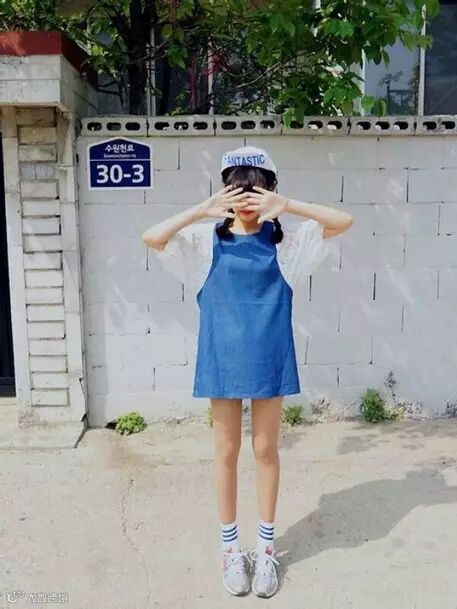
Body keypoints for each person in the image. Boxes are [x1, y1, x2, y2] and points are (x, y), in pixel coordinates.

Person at [142, 145, 354, 597]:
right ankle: (230, 550)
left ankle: (266, 548)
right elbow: (153, 238)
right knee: (225, 451)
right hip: (222, 358)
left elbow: (343, 221)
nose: (247, 199)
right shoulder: (204, 243)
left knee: (265, 450)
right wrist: (202, 209)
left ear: (270, 190)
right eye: (238, 189)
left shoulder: (287, 244)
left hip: (269, 358)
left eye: (256, 189)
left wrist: (288, 205)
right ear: (225, 191)